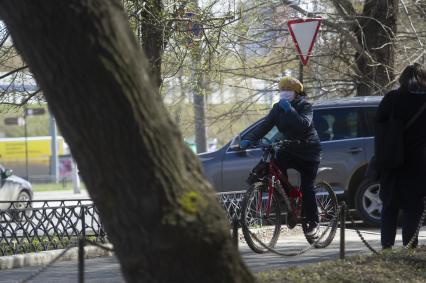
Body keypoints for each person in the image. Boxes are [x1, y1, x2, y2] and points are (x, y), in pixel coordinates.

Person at [239, 76, 322, 238]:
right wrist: (250, 139)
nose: (284, 93)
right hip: (289, 148)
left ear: (296, 93)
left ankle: (314, 223)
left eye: (287, 90)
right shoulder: (277, 108)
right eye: (282, 90)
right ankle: (289, 202)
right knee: (274, 166)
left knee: (307, 187)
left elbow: (303, 124)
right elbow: (265, 125)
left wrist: (289, 110)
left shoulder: (305, 106)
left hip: (308, 151)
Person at [376, 63, 426, 249]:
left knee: (389, 208)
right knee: (413, 209)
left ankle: (386, 248)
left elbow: (379, 129)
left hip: (392, 162)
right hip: (418, 165)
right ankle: (409, 249)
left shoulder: (391, 99)